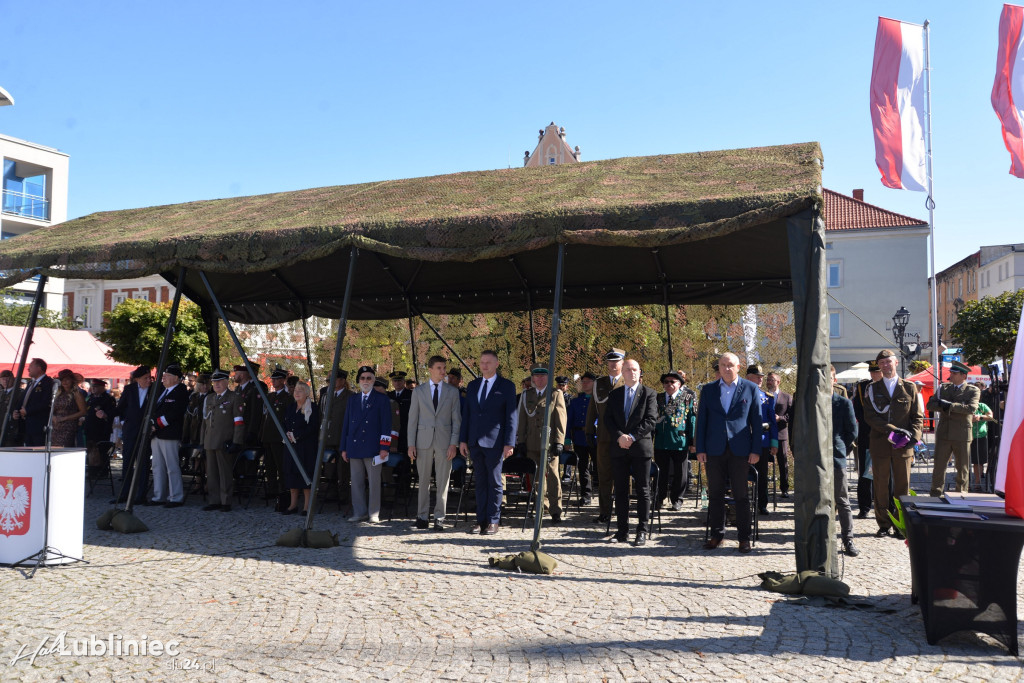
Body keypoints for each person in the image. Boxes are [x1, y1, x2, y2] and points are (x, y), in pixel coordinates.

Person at [696, 352, 763, 553]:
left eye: (730, 365)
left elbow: (757, 422)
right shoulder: (708, 390)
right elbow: (701, 422)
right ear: (718, 367)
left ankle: (744, 538)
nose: (726, 368)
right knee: (715, 493)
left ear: (738, 367)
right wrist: (700, 449)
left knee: (741, 495)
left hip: (740, 450)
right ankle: (717, 535)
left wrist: (756, 450)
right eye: (723, 365)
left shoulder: (750, 389)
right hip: (714, 449)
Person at [862, 349, 923, 538]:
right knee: (880, 484)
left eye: (888, 362)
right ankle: (883, 524)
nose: (885, 365)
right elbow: (870, 417)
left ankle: (900, 524)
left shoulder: (909, 387)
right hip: (880, 443)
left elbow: (917, 417)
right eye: (882, 363)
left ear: (896, 363)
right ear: (878, 366)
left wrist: (914, 436)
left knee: (902, 486)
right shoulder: (872, 389)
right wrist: (892, 429)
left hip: (903, 445)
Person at [459, 350, 518, 535]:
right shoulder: (473, 385)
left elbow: (511, 417)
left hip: (496, 442)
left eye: (488, 362)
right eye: (482, 362)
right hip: (475, 441)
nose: (484, 366)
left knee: (494, 482)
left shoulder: (506, 386)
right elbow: (467, 415)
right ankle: (480, 521)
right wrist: (463, 440)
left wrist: (509, 443)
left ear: (497, 364)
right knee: (480, 482)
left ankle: (493, 520)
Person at [604, 359, 659, 545]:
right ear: (623, 372)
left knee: (643, 490)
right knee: (620, 491)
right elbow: (608, 420)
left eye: (635, 369)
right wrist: (620, 436)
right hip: (619, 448)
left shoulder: (649, 393)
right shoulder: (615, 394)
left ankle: (641, 531)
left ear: (640, 372)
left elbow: (651, 420)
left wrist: (632, 437)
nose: (632, 372)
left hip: (640, 448)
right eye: (628, 369)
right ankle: (622, 531)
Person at [408, 355, 462, 530]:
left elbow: (457, 420)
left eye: (444, 368)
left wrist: (453, 443)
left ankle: (439, 517)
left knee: (443, 480)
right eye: (439, 368)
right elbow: (412, 420)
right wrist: (411, 444)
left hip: (445, 442)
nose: (443, 371)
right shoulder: (418, 391)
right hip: (422, 441)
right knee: (422, 480)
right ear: (430, 369)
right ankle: (422, 516)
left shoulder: (452, 392)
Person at [516, 363, 567, 525]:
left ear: (548, 377)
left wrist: (559, 441)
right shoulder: (526, 395)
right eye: (536, 376)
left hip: (550, 443)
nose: (539, 379)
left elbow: (561, 419)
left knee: (553, 477)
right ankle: (540, 507)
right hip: (531, 443)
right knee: (536, 478)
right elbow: (522, 420)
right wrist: (521, 441)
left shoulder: (555, 394)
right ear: (532, 378)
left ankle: (555, 510)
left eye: (543, 376)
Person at [340, 366, 393, 524]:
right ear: (358, 381)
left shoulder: (382, 399)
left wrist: (384, 448)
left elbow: (386, 425)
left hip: (374, 447)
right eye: (362, 378)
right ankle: (359, 512)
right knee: (356, 482)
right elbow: (346, 425)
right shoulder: (353, 399)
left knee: (374, 482)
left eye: (369, 378)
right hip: (354, 447)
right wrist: (344, 448)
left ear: (374, 380)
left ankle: (374, 512)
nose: (365, 381)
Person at [926, 360, 981, 497]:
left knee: (962, 468)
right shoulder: (944, 388)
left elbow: (971, 408)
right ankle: (935, 493)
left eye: (955, 373)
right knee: (939, 466)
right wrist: (943, 405)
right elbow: (930, 405)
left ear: (964, 375)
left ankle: (961, 494)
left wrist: (949, 406)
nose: (951, 375)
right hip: (944, 432)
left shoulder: (972, 390)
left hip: (962, 434)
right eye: (951, 372)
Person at [585, 349, 626, 525]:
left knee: (623, 476)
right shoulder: (599, 383)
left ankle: (623, 511)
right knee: (604, 476)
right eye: (610, 361)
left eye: (616, 361)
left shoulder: (629, 380)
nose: (613, 364)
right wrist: (588, 429)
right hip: (603, 437)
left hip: (623, 437)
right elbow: (593, 408)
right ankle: (605, 512)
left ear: (623, 362)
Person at [199, 369, 245, 512]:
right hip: (210, 440)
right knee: (211, 473)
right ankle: (214, 500)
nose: (216, 384)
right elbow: (204, 422)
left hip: (225, 440)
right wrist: (202, 442)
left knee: (225, 473)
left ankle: (226, 501)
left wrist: (237, 441)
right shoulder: (210, 398)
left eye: (219, 381)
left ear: (226, 382)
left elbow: (239, 421)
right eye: (214, 382)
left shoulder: (234, 397)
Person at [107, 366, 154, 504]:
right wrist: (108, 414)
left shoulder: (154, 390)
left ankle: (141, 495)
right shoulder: (130, 389)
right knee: (127, 462)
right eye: (145, 378)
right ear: (137, 379)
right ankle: (124, 494)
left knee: (143, 463)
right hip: (130, 430)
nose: (148, 380)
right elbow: (121, 408)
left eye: (149, 377)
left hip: (145, 430)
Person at [653, 370, 696, 512]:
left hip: (680, 441)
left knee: (680, 473)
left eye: (673, 382)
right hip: (661, 441)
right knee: (661, 472)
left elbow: (692, 420)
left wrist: (692, 442)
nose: (669, 384)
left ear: (680, 384)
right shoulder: (657, 398)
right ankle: (659, 498)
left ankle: (677, 500)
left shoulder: (687, 398)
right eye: (666, 382)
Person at [150, 363, 189, 507]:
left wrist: (157, 424)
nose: (164, 378)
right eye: (164, 375)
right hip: (157, 434)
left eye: (167, 376)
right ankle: (158, 495)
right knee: (157, 466)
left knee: (172, 466)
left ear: (177, 378)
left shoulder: (181, 391)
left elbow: (175, 412)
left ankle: (176, 497)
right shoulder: (162, 391)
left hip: (169, 434)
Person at [830, 375, 859, 557]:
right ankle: (821, 538)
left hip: (836, 458)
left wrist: (840, 448)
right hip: (815, 461)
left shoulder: (843, 403)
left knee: (842, 500)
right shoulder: (810, 402)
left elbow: (852, 432)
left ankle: (848, 539)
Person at [281, 381, 321, 515]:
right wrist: (287, 434)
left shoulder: (312, 408)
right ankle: (293, 505)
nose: (296, 393)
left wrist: (297, 435)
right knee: (292, 476)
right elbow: (285, 423)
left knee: (305, 477)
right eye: (295, 390)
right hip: (291, 447)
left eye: (300, 391)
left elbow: (313, 427)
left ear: (306, 393)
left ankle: (306, 507)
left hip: (306, 448)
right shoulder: (291, 407)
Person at [746, 364, 779, 517]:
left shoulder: (767, 397)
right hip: (743, 441)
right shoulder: (740, 394)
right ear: (748, 377)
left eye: (761, 376)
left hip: (762, 441)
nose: (761, 379)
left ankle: (762, 504)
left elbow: (772, 421)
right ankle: (742, 503)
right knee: (741, 474)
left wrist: (774, 442)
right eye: (757, 376)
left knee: (762, 475)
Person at [851, 360, 882, 518]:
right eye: (872, 372)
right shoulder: (863, 387)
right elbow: (857, 409)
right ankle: (864, 506)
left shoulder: (888, 387)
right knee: (864, 473)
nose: (874, 374)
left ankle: (882, 504)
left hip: (884, 437)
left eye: (876, 371)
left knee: (883, 473)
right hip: (867, 435)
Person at [319, 368, 353, 505]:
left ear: (342, 381)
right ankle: (330, 493)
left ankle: (343, 496)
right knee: (329, 468)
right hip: (328, 437)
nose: (330, 382)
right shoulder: (325, 395)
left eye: (334, 379)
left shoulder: (350, 396)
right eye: (329, 380)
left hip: (341, 437)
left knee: (342, 470)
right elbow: (321, 416)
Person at [262, 368, 295, 507]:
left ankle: (283, 490)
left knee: (280, 465)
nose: (273, 381)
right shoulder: (270, 396)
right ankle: (272, 489)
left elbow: (288, 417)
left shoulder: (287, 398)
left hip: (278, 436)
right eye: (273, 379)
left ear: (282, 380)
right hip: (268, 435)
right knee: (269, 465)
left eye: (276, 379)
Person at [567, 371, 597, 505]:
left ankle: (602, 494)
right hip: (579, 437)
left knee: (599, 467)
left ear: (594, 383)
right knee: (582, 467)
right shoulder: (576, 401)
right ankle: (586, 495)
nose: (585, 384)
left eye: (588, 381)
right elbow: (568, 421)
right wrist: (567, 439)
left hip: (596, 438)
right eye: (583, 382)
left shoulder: (599, 400)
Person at [764, 371, 793, 499]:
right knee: (763, 462)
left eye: (771, 380)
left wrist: (780, 418)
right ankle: (763, 488)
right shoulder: (763, 396)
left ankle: (784, 488)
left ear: (778, 382)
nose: (769, 382)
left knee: (783, 462)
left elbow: (791, 416)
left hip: (781, 434)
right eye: (767, 380)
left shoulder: (786, 397)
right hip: (766, 434)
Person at [17, 358, 54, 447]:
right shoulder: (31, 383)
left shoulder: (48, 383)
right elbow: (23, 399)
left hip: (39, 425)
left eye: (30, 366)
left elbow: (45, 403)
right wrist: (16, 411)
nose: (28, 369)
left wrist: (28, 411)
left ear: (39, 368)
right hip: (26, 425)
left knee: (37, 449)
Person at [182, 373, 211, 475]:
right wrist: (185, 435)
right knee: (196, 458)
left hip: (205, 432)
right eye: (202, 384)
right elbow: (188, 417)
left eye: (207, 384)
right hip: (194, 432)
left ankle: (206, 484)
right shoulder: (194, 397)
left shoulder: (211, 397)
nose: (205, 387)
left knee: (205, 458)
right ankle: (198, 483)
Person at [51, 368, 88, 448]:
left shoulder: (76, 394)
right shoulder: (58, 393)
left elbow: (83, 411)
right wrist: (53, 417)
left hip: (69, 426)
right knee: (54, 448)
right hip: (56, 426)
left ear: (72, 380)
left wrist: (65, 418)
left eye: (67, 379)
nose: (64, 382)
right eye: (62, 380)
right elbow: (51, 409)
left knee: (64, 448)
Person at [233, 363, 264, 449]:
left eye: (236, 374)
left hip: (247, 429)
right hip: (238, 430)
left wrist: (252, 431)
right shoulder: (238, 389)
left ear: (242, 375)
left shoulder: (254, 389)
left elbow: (256, 412)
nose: (234, 376)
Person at [970, 386, 994, 490]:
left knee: (978, 462)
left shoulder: (982, 406)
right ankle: (966, 484)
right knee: (964, 462)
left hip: (980, 436)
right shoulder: (965, 406)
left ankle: (977, 484)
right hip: (966, 437)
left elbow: (991, 416)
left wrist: (980, 417)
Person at [0, 369, 24, 446]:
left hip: (12, 429)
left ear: (13, 380)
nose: (5, 381)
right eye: (3, 379)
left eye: (8, 379)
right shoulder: (1, 393)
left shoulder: (19, 393)